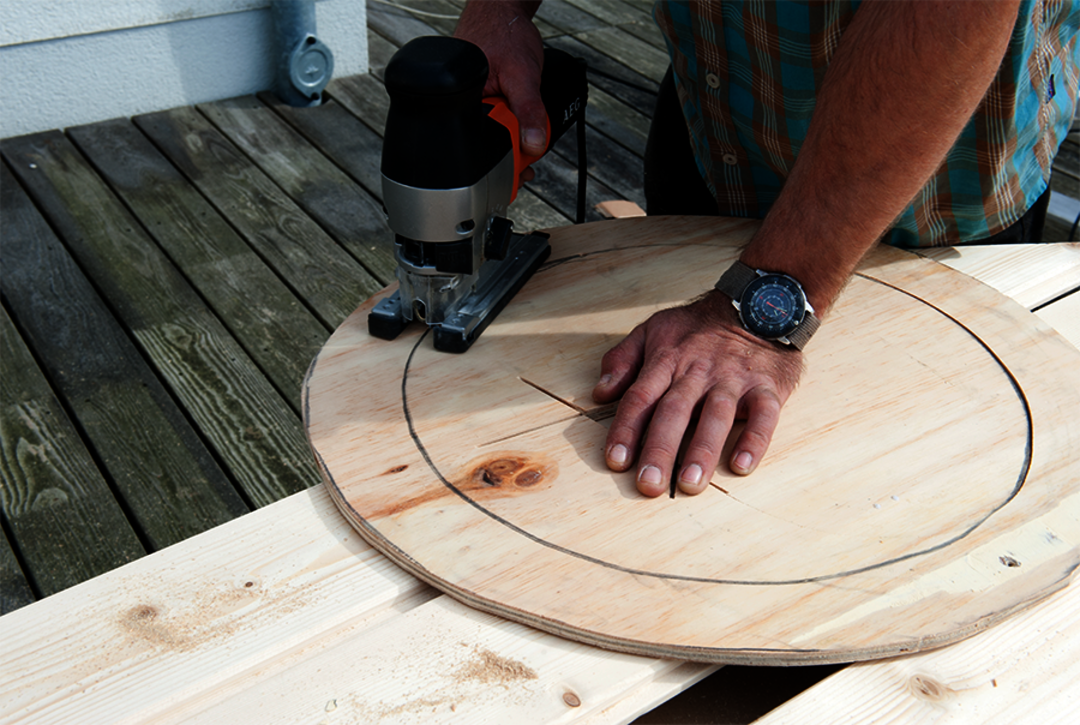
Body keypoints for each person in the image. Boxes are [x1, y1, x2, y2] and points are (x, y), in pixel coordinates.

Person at [454, 0, 1080, 497]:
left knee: (921, 477)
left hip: (930, 178)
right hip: (721, 104)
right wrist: (497, 11)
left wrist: (758, 315)